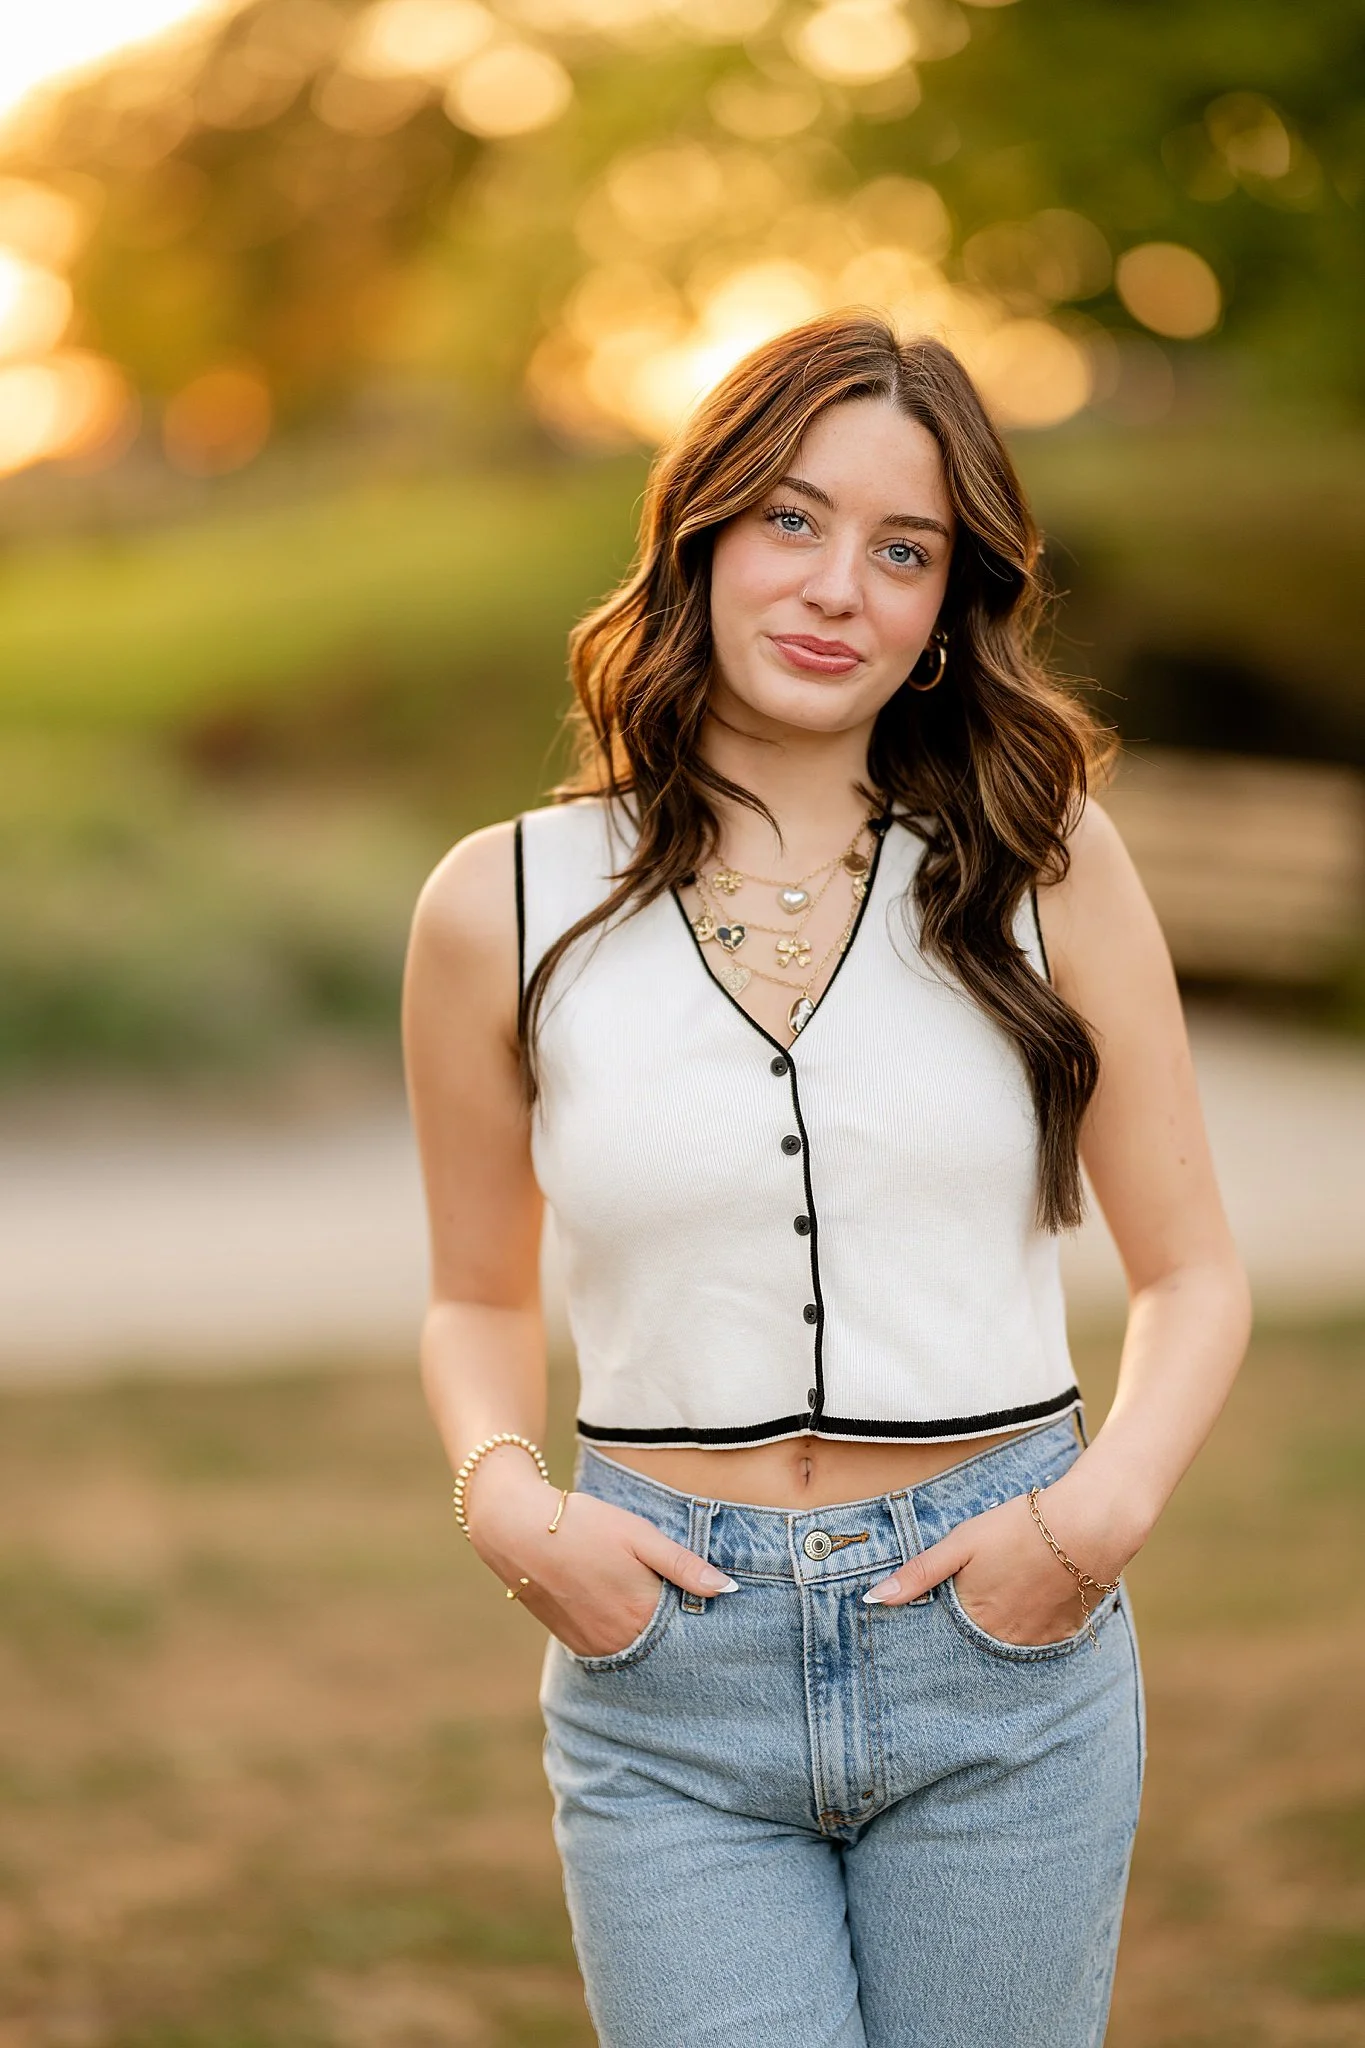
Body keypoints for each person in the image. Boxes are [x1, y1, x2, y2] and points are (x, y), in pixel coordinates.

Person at [401, 311, 1251, 2048]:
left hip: (1003, 1651)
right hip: (665, 1677)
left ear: (950, 609)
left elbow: (1194, 1274)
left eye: (904, 549)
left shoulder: (1050, 870)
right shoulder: (495, 902)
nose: (837, 586)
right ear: (700, 536)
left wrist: (1092, 1523)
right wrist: (508, 1508)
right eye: (791, 519)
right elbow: (475, 1293)